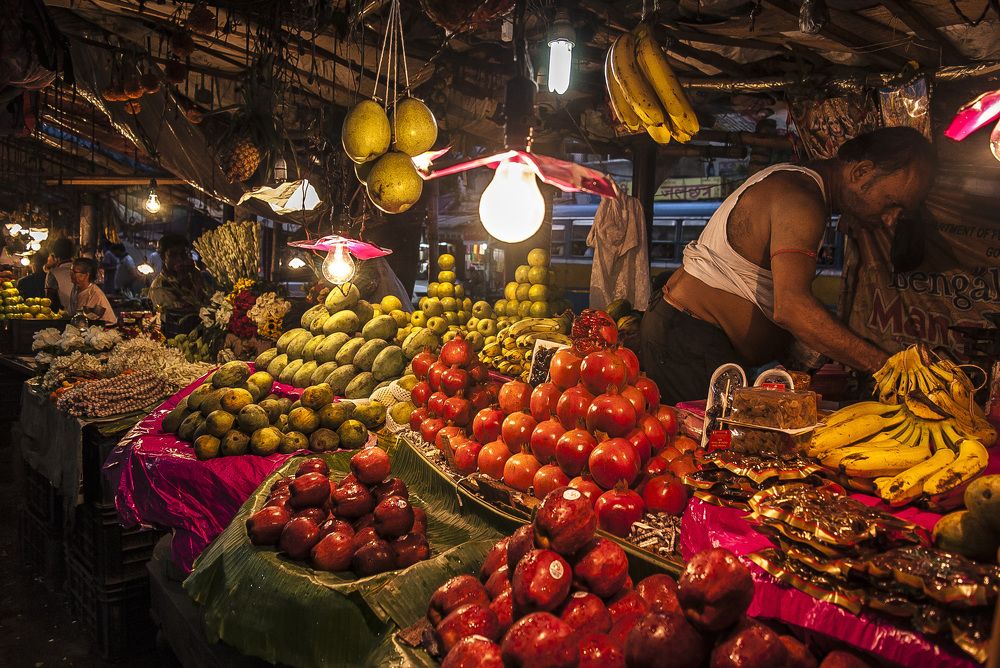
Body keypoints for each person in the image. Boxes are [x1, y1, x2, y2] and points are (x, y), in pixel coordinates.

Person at [640, 127, 935, 404]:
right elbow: (792, 307)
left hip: (689, 340)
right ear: (861, 172)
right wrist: (883, 365)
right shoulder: (801, 200)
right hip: (686, 345)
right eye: (889, 203)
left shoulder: (795, 185)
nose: (889, 219)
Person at [148, 238, 207, 337]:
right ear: (163, 257)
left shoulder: (194, 275)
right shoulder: (159, 287)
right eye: (173, 255)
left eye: (183, 254)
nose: (179, 259)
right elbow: (176, 317)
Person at [68, 257, 117, 325]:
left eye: (74, 272)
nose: (71, 274)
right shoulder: (76, 287)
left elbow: (88, 320)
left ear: (86, 275)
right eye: (70, 271)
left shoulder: (95, 294)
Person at [45, 237, 75, 312]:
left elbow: (50, 301)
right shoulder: (81, 270)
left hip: (64, 316)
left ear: (54, 254)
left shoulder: (53, 273)